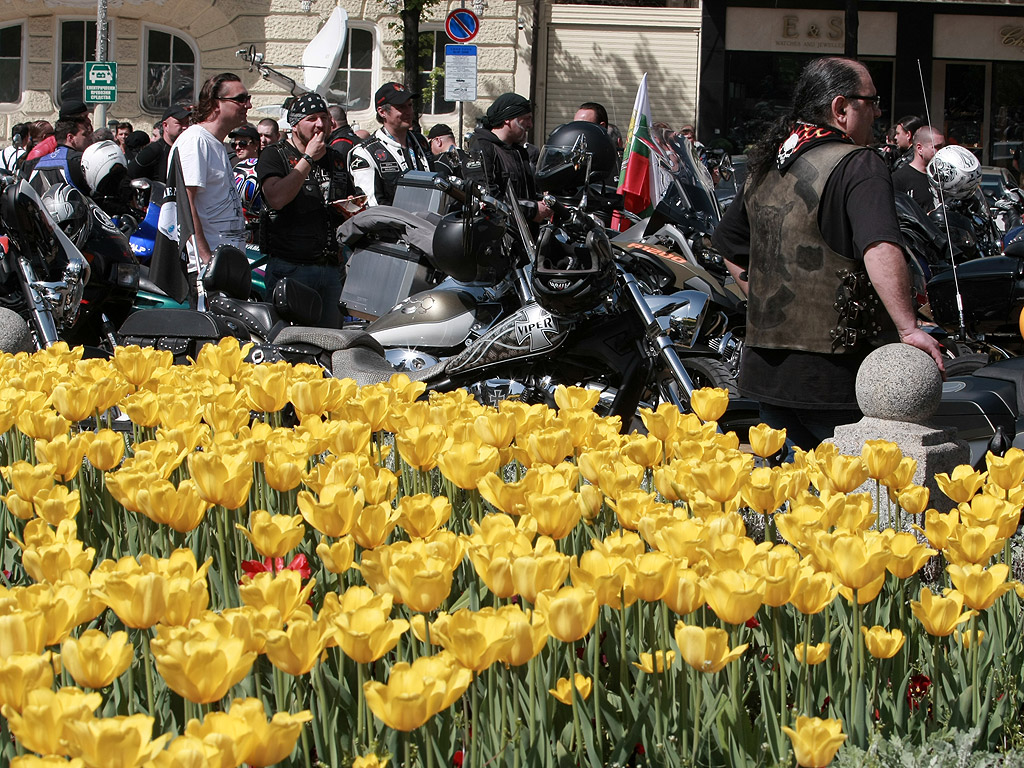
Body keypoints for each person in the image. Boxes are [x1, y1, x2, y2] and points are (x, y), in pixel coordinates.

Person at [712, 56, 944, 450]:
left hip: (768, 373)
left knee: (788, 501)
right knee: (852, 499)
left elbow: (729, 245)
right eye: (871, 102)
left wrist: (765, 300)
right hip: (839, 377)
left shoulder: (767, 164)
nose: (878, 112)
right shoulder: (860, 163)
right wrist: (908, 328)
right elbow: (880, 246)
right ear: (841, 108)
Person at [257, 92, 351, 327]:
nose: (320, 124)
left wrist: (352, 206)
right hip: (291, 268)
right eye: (312, 118)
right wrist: (308, 158)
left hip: (330, 269)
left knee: (330, 346)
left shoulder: (335, 158)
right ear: (295, 124)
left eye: (324, 117)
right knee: (289, 345)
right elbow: (276, 198)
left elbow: (346, 200)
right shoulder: (274, 154)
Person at [172, 72, 249, 308]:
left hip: (227, 266)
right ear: (217, 103)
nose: (248, 105)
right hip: (208, 270)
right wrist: (206, 259)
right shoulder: (196, 141)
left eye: (248, 98)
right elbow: (187, 203)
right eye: (241, 99)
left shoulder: (216, 143)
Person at [468, 92, 549, 222]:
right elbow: (486, 198)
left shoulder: (519, 151)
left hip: (525, 236)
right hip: (499, 236)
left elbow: (527, 194)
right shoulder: (483, 148)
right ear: (508, 119)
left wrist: (546, 203)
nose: (530, 125)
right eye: (526, 118)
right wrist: (532, 209)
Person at [348, 82, 432, 206]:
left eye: (410, 105)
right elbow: (372, 205)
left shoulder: (420, 141)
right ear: (382, 112)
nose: (409, 112)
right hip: (391, 223)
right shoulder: (365, 152)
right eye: (401, 107)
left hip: (426, 221)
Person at [20, 112, 93, 193]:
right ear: (70, 138)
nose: (89, 138)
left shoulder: (33, 164)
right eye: (85, 134)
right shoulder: (80, 161)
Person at [128, 104, 190, 185]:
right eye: (179, 123)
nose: (185, 127)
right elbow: (129, 174)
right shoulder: (153, 150)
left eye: (187, 123)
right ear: (165, 126)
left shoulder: (187, 150)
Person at [892, 125, 945, 211]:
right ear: (920, 148)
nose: (941, 152)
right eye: (937, 147)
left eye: (943, 147)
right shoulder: (899, 179)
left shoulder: (941, 176)